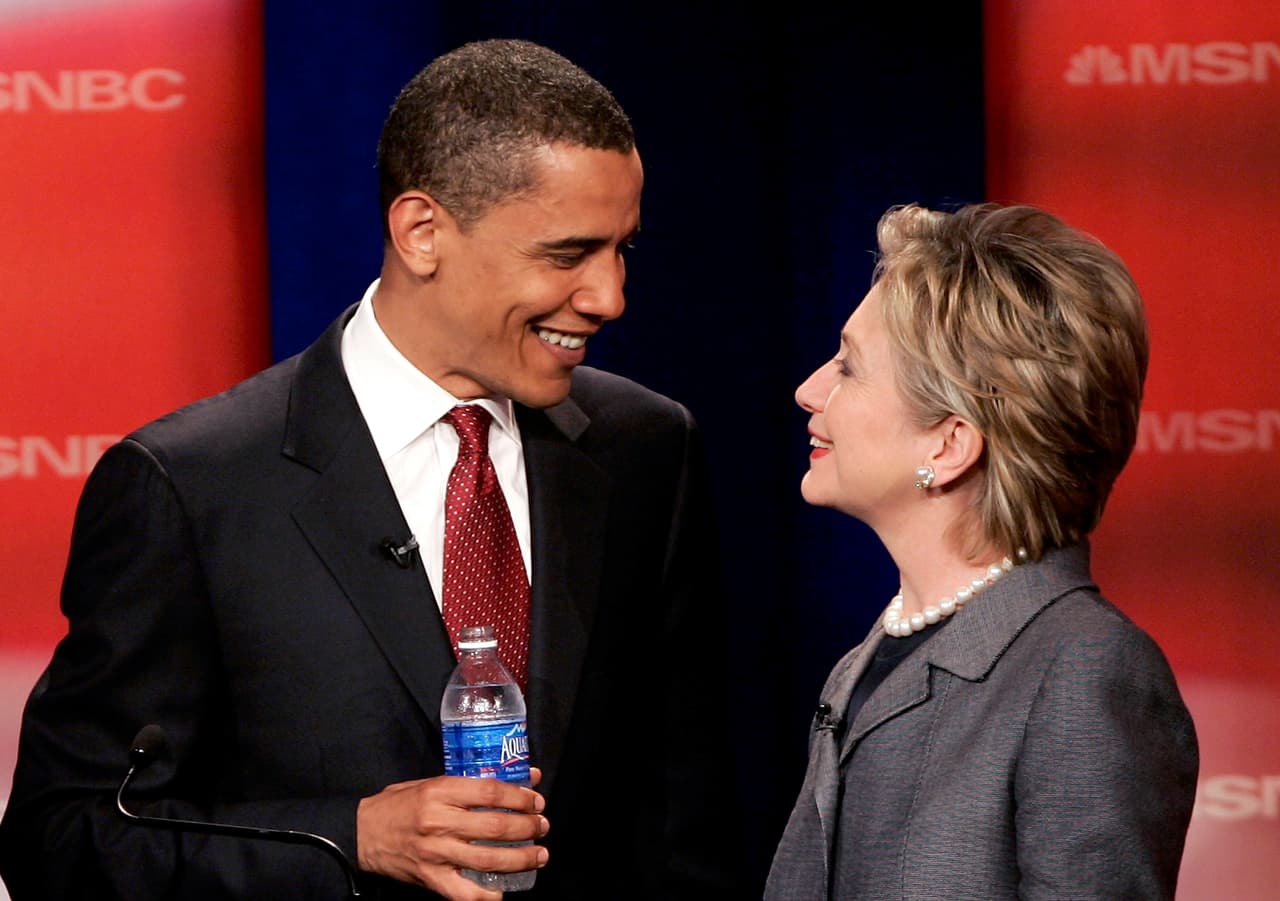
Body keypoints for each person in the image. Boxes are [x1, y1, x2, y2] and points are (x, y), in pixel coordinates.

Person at [0, 39, 737, 901]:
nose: (610, 297)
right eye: (567, 254)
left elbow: (684, 824)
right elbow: (63, 836)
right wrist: (349, 837)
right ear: (422, 232)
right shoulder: (192, 487)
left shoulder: (644, 447)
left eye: (622, 250)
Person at [765, 203, 1199, 900]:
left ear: (949, 445)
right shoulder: (866, 663)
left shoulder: (1086, 669)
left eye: (849, 366)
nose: (809, 389)